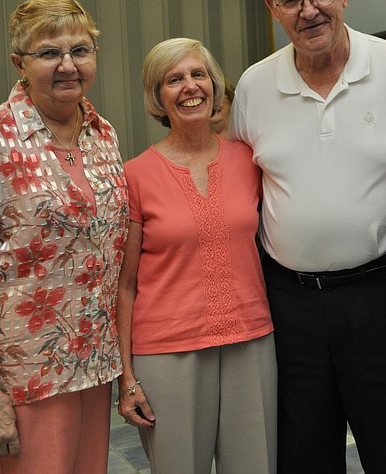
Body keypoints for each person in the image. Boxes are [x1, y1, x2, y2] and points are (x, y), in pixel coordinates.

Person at [230, 0, 386, 474]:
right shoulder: (254, 87)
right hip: (289, 305)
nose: (308, 10)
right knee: (302, 452)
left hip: (380, 298)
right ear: (273, 8)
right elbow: (237, 183)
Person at [0, 0, 128, 472]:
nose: (68, 65)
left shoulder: (102, 134)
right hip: (26, 375)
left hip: (93, 364)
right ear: (19, 63)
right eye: (49, 53)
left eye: (80, 50)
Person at [116, 38, 276, 474]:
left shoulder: (249, 161)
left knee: (255, 465)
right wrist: (126, 378)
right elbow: (124, 285)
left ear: (214, 85)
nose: (190, 87)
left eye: (198, 74)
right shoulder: (134, 175)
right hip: (167, 352)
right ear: (158, 96)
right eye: (175, 79)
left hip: (251, 339)